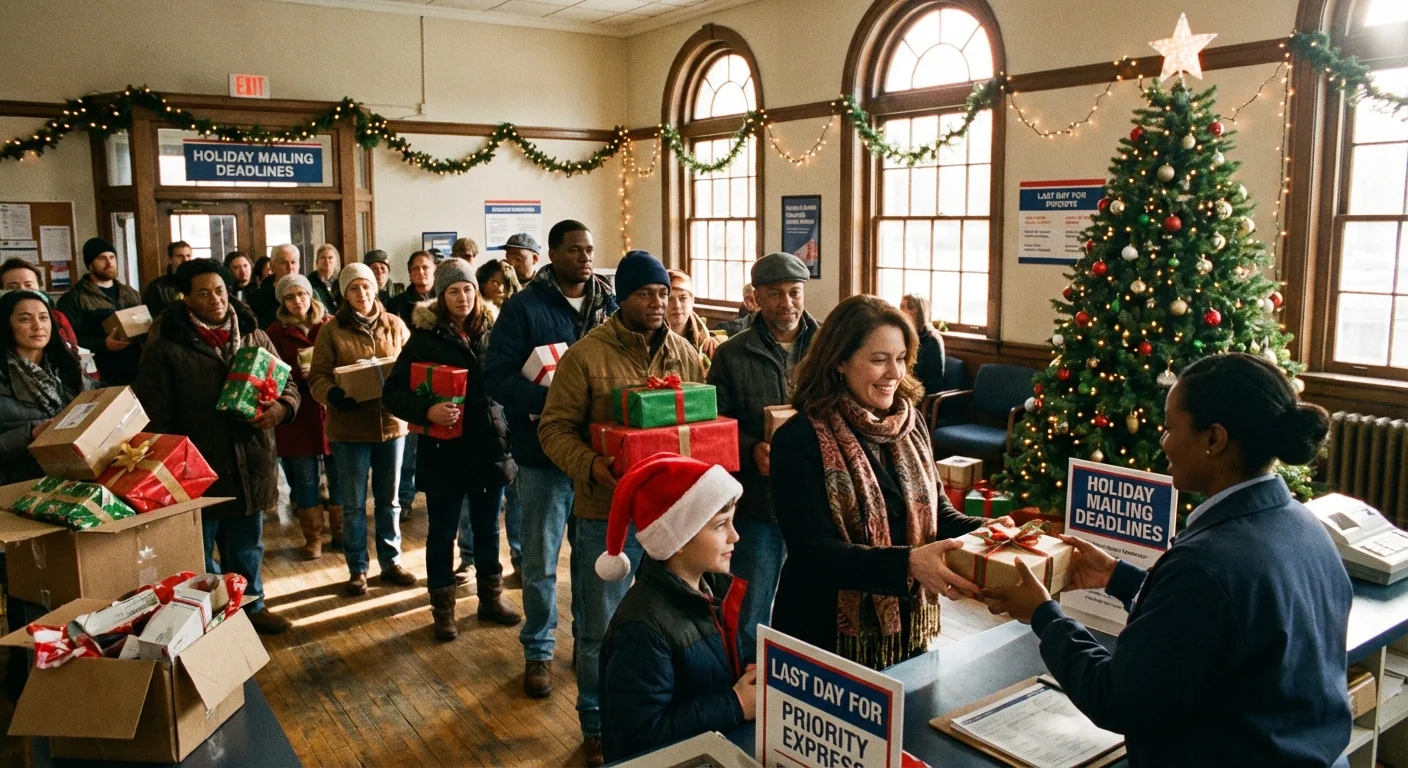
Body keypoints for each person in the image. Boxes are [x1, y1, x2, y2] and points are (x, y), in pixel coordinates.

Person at [981, 353, 1351, 766]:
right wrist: (1118, 577)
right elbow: (1224, 625)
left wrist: (1044, 617)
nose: (1162, 442)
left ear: (1214, 439)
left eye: (1170, 427)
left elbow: (1117, 699)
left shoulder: (1205, 564)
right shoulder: (1304, 524)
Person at [538, 249, 707, 767]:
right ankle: (597, 726)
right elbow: (552, 430)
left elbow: (701, 426)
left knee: (673, 623)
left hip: (675, 512)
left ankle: (664, 714)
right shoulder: (585, 356)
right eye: (645, 294)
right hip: (605, 513)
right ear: (622, 298)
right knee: (601, 627)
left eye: (663, 294)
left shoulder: (686, 352)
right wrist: (592, 466)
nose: (657, 304)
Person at [770, 295, 1002, 670]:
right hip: (823, 636)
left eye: (900, 358)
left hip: (904, 631)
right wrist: (908, 565)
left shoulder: (911, 426)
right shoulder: (798, 439)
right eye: (879, 360)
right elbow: (814, 552)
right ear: (839, 361)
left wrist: (991, 534)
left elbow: (938, 516)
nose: (894, 372)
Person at [484, 219, 616, 703]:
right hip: (541, 455)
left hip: (597, 459)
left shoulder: (610, 305)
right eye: (575, 250)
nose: (585, 258)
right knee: (540, 562)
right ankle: (538, 651)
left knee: (592, 561)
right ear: (552, 256)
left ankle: (587, 646)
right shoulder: (524, 308)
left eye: (590, 249)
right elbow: (495, 376)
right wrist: (544, 401)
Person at [135, 258, 298, 636]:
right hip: (197, 467)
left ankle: (252, 605)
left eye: (221, 290)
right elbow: (154, 413)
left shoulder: (254, 334)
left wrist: (282, 409)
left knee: (248, 544)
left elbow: (287, 384)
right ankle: (204, 617)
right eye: (203, 293)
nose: (215, 299)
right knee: (198, 549)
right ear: (186, 298)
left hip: (250, 458)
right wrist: (174, 462)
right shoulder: (167, 345)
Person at [384, 260, 521, 640]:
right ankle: (442, 609)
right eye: (453, 291)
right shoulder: (424, 338)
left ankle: (490, 600)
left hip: (489, 445)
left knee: (488, 530)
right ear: (441, 298)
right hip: (444, 451)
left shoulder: (496, 332)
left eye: (468, 290)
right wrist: (427, 410)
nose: (463, 297)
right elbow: (392, 393)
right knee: (442, 532)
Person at [598, 454, 755, 763]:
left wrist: (747, 672)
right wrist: (735, 703)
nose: (735, 536)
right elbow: (638, 736)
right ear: (679, 539)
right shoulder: (642, 629)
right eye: (721, 525)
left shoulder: (708, 592)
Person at [706, 252, 820, 664]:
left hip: (818, 500)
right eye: (775, 294)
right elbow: (715, 426)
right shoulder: (732, 354)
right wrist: (751, 448)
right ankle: (746, 685)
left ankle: (800, 675)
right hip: (759, 503)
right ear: (756, 297)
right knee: (751, 604)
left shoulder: (830, 347)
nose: (787, 303)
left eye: (795, 292)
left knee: (812, 599)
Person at [308, 262, 415, 596]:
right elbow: (317, 377)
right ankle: (358, 569)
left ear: (376, 288)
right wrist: (332, 395)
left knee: (390, 501)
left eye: (367, 286)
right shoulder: (331, 330)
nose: (362, 294)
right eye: (354, 288)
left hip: (391, 426)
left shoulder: (395, 325)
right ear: (344, 293)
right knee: (354, 503)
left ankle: (391, 562)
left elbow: (413, 367)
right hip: (349, 429)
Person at [265, 274, 341, 561]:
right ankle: (314, 538)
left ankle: (341, 532)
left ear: (311, 296)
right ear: (282, 301)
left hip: (333, 412)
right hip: (297, 415)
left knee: (339, 476)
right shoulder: (274, 332)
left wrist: (325, 373)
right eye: (290, 297)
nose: (298, 301)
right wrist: (299, 375)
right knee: (306, 480)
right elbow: (272, 378)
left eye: (302, 294)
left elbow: (347, 361)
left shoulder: (331, 324)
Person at [0, 290, 94, 484]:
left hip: (74, 476)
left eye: (44, 318)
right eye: (25, 319)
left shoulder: (67, 367)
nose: (38, 326)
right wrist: (30, 434)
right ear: (6, 325)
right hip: (18, 483)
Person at [385, 249, 437, 521]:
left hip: (440, 376)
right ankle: (404, 498)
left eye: (426, 267)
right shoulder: (397, 304)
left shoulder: (444, 300)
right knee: (410, 446)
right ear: (409, 273)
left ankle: (436, 496)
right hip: (410, 376)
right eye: (415, 268)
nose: (421, 273)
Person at [58, 237, 143, 386]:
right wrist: (104, 344)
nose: (109, 262)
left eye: (112, 257)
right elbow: (68, 341)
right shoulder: (73, 298)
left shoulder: (130, 293)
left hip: (135, 371)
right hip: (98, 375)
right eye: (102, 258)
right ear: (90, 265)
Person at [1, 258, 80, 353]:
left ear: (39, 287)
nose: (22, 291)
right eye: (13, 287)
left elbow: (71, 350)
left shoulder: (57, 318)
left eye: (28, 285)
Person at [665, 269, 719, 365]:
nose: (677, 305)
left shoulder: (709, 347)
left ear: (692, 300)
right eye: (669, 299)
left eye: (683, 298)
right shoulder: (647, 341)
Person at [252, 244, 309, 329]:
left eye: (293, 262)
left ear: (299, 265)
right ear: (272, 266)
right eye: (284, 263)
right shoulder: (258, 297)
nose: (290, 268)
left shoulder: (309, 292)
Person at [901, 293, 946, 394]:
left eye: (907, 307)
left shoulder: (932, 340)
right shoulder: (906, 335)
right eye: (901, 306)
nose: (901, 312)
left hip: (921, 392)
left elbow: (933, 383)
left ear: (918, 311)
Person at [142, 240, 192, 318]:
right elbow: (148, 317)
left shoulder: (197, 284)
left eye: (188, 256)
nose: (185, 260)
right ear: (170, 259)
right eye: (179, 256)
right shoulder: (156, 287)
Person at [308, 243, 343, 314]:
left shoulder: (342, 279)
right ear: (317, 261)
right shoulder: (310, 281)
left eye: (330, 257)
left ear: (336, 261)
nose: (327, 261)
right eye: (323, 258)